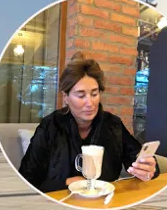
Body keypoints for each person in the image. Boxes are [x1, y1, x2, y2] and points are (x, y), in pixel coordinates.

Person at [17, 52, 158, 193]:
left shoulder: (112, 124)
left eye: (94, 94)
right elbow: (27, 178)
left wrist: (148, 168)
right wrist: (67, 182)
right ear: (65, 97)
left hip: (105, 200)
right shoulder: (50, 125)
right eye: (81, 95)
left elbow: (138, 159)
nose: (90, 103)